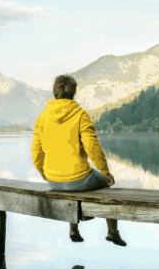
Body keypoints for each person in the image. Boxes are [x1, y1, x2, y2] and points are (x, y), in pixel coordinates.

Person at [32, 74, 126, 246]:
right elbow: (93, 147)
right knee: (106, 184)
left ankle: (73, 229)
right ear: (73, 93)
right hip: (79, 179)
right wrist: (105, 172)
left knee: (71, 184)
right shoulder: (80, 115)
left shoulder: (43, 118)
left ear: (55, 93)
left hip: (53, 182)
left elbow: (36, 152)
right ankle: (112, 232)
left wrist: (43, 172)